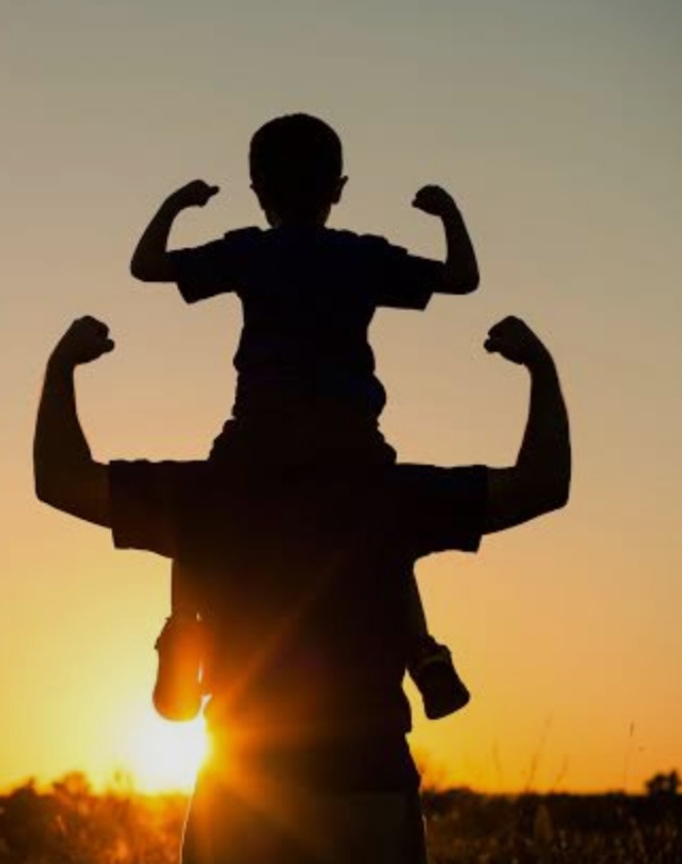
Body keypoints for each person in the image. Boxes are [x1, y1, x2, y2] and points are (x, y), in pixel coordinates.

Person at [33, 313, 569, 863]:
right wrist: (540, 368)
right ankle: (425, 654)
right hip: (369, 790)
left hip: (242, 795)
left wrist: (62, 367)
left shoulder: (205, 495)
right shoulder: (390, 495)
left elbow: (60, 478)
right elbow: (541, 484)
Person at [129, 113, 481, 720]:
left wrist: (178, 204)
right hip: (349, 439)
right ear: (338, 189)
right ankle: (421, 650)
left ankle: (185, 629)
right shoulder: (360, 255)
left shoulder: (250, 250)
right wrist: (447, 213)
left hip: (259, 434)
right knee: (386, 539)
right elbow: (461, 278)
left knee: (193, 517)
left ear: (257, 190)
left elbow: (147, 265)